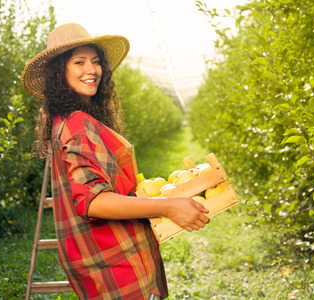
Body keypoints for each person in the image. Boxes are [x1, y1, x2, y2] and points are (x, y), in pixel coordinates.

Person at [21, 23, 210, 300]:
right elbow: (92, 201)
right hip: (114, 261)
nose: (91, 70)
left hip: (108, 256)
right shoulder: (77, 124)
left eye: (96, 62)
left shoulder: (66, 120)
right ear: (60, 72)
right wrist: (169, 205)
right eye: (79, 62)